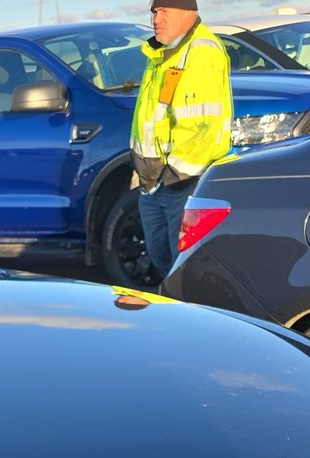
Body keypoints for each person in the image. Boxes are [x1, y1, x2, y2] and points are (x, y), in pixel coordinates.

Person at [129, 0, 234, 278]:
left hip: (184, 181)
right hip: (153, 183)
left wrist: (173, 175)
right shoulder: (161, 53)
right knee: (162, 258)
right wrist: (147, 174)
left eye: (164, 11)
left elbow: (204, 126)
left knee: (183, 270)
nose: (156, 18)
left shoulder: (201, 52)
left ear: (189, 12)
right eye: (154, 11)